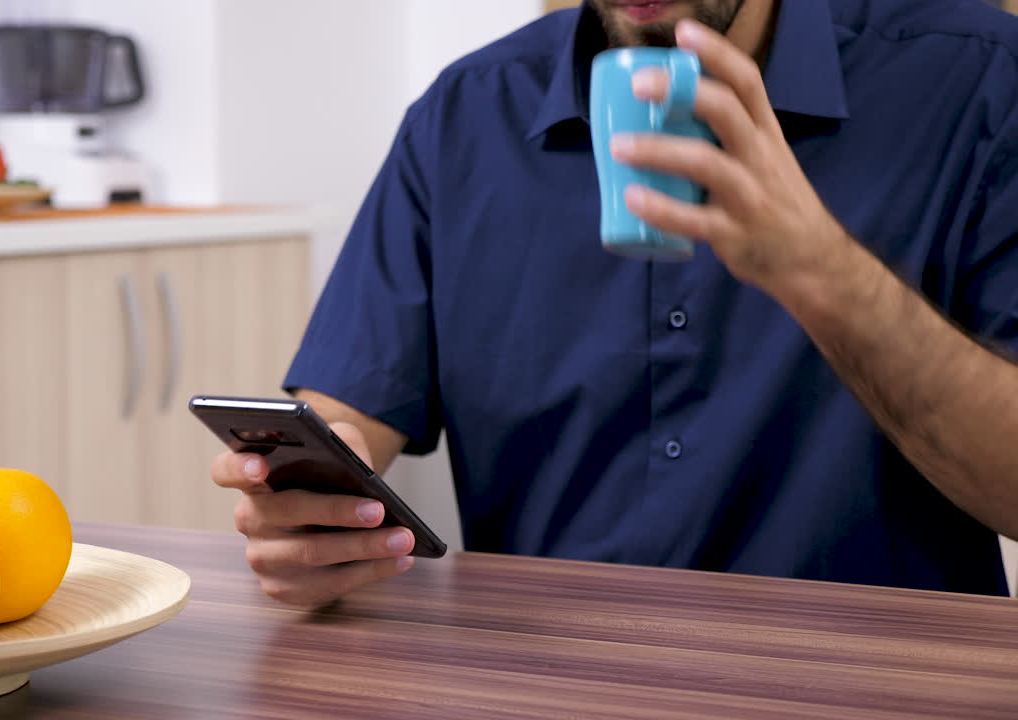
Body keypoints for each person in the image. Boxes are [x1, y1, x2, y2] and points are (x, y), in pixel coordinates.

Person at [212, 0, 1018, 607]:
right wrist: (309, 517)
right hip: (551, 677)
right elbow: (344, 414)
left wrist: (829, 274)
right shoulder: (464, 116)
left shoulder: (978, 81)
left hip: (881, 682)